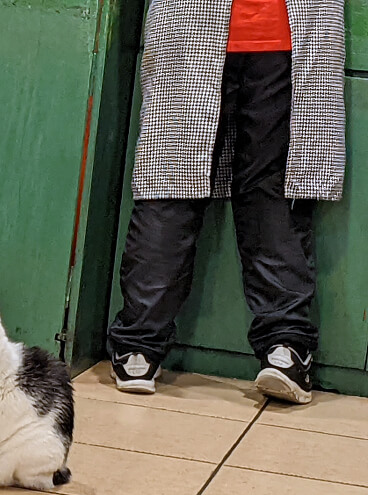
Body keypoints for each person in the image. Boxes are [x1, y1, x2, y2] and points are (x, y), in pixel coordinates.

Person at [108, 0, 345, 404]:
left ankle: (285, 347)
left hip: (290, 31)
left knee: (273, 192)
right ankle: (139, 341)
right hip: (189, 24)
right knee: (171, 180)